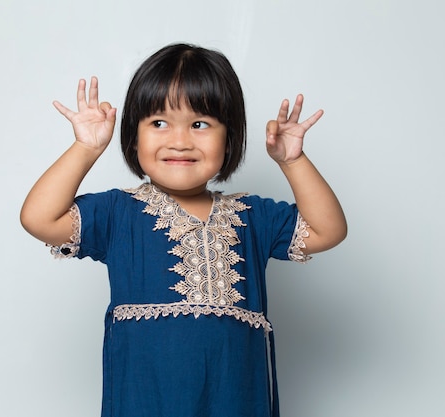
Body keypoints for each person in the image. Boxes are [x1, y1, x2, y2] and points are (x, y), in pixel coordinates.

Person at [21, 43, 347, 417]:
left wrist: (294, 162)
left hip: (238, 401)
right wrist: (86, 148)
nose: (180, 140)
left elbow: (327, 230)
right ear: (133, 136)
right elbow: (39, 218)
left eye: (200, 124)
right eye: (158, 123)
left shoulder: (252, 216)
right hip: (147, 402)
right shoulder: (118, 213)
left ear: (230, 138)